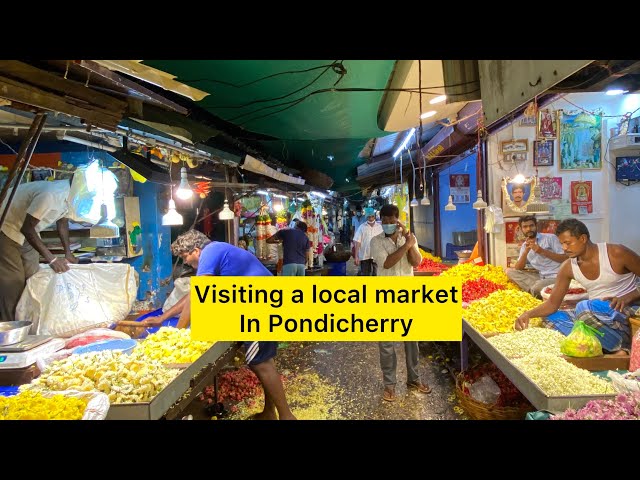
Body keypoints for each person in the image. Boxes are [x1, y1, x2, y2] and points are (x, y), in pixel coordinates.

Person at [169, 229, 296, 420]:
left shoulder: (209, 253)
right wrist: (163, 318)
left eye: (184, 256)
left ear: (195, 250)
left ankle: (287, 417)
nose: (186, 262)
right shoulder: (218, 250)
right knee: (265, 361)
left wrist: (177, 333)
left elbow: (196, 295)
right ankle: (270, 412)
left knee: (260, 363)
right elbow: (193, 295)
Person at [515, 219, 640, 354]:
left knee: (583, 308)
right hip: (595, 316)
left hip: (625, 311)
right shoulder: (568, 267)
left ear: (583, 238)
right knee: (550, 319)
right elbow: (552, 303)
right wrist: (528, 314)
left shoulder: (616, 253)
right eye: (562, 243)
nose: (564, 248)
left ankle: (623, 347)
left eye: (568, 243)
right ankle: (610, 348)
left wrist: (629, 296)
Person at [370, 204, 432, 402]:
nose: (388, 224)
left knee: (412, 341)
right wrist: (405, 245)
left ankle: (414, 379)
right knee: (387, 344)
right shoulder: (376, 241)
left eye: (391, 221)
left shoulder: (409, 238)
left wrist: (409, 242)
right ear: (381, 221)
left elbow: (415, 262)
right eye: (385, 221)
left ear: (398, 220)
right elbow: (386, 263)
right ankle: (389, 385)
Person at [0, 179, 78, 322]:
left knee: (34, 277)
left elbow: (62, 222)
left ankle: (31, 322)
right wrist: (52, 259)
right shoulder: (51, 195)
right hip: (6, 227)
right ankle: (10, 327)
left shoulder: (71, 196)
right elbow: (27, 228)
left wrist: (68, 252)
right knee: (13, 282)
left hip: (27, 233)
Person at [506, 215, 568, 298]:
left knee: (537, 287)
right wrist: (526, 252)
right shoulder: (525, 245)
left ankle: (535, 291)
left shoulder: (550, 238)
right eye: (525, 227)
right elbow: (518, 268)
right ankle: (538, 290)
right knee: (509, 272)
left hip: (556, 276)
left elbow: (565, 258)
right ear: (521, 229)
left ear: (536, 226)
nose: (529, 229)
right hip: (540, 276)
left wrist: (541, 251)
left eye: (531, 226)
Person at [352, 207, 383, 276]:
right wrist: (356, 256)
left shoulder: (380, 227)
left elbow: (383, 241)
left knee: (377, 274)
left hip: (377, 255)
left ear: (374, 216)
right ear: (366, 217)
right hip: (364, 255)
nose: (371, 218)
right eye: (369, 217)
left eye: (372, 216)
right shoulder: (362, 227)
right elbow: (358, 241)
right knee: (365, 274)